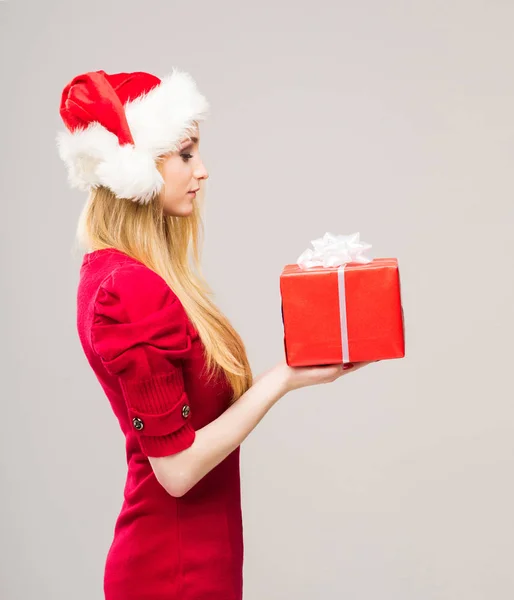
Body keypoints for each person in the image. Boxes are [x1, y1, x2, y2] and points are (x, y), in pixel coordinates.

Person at [56, 67, 373, 600]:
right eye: (185, 154)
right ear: (137, 169)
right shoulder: (127, 291)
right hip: (173, 572)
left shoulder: (119, 275)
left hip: (198, 558)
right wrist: (285, 379)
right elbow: (177, 470)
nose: (202, 171)